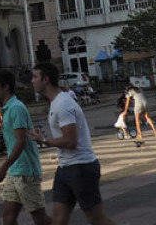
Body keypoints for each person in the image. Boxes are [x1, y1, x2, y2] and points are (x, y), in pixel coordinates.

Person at [28, 63, 115, 225]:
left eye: (35, 77)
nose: (32, 81)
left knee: (98, 220)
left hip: (81, 167)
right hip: (65, 167)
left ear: (45, 80)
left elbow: (70, 141)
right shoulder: (55, 102)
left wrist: (44, 141)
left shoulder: (63, 104)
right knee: (58, 221)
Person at [0, 71, 50, 225]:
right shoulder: (7, 109)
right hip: (15, 171)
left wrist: (3, 167)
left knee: (40, 219)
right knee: (8, 218)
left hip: (26, 172)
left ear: (6, 87)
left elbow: (20, 142)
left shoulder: (16, 108)